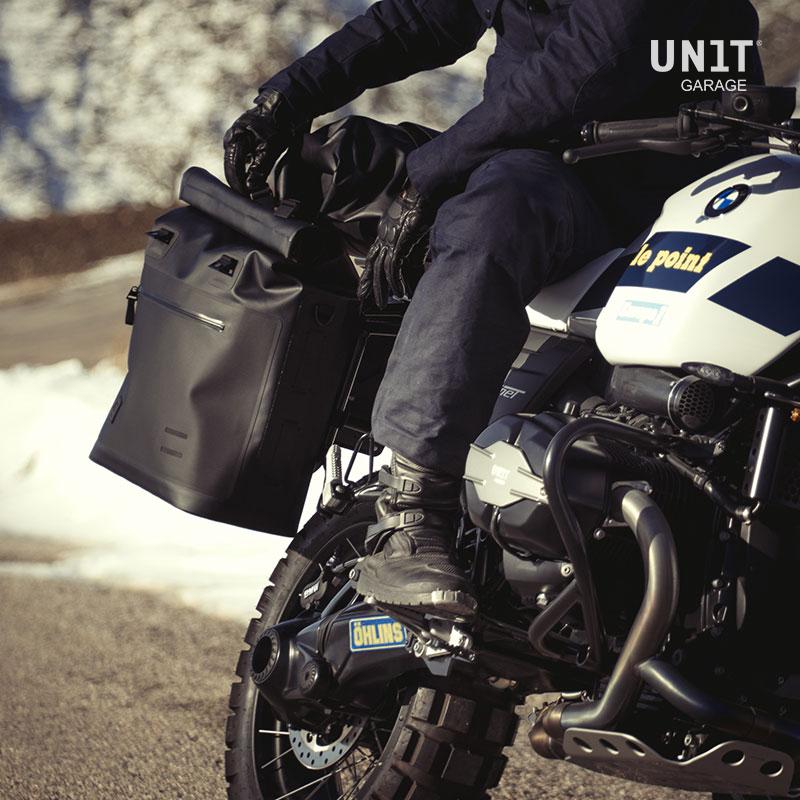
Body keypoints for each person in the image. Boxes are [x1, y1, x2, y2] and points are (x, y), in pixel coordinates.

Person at [224, 0, 762, 617]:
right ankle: (412, 512)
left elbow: (594, 61)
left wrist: (431, 174)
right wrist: (287, 98)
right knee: (492, 205)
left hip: (680, 188)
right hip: (556, 176)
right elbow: (426, 16)